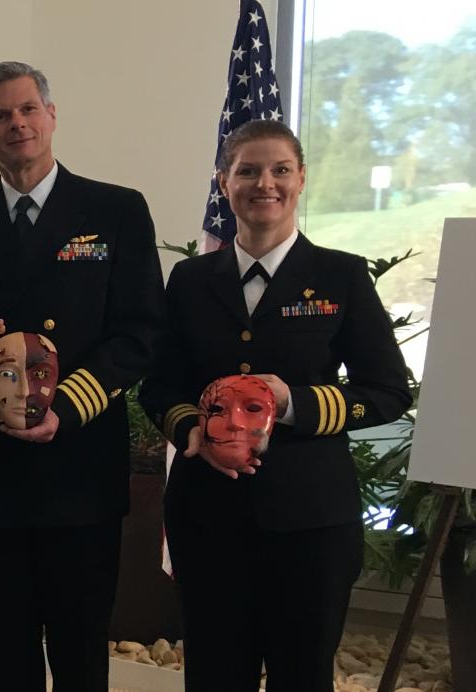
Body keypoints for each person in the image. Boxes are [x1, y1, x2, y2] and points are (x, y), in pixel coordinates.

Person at [0, 61, 165, 691]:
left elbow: (139, 334)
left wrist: (68, 406)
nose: (16, 124)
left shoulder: (116, 211)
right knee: (8, 651)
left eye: (27, 109)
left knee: (81, 651)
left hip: (81, 468)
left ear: (52, 117)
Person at [139, 119, 410, 690]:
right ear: (224, 182)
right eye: (248, 170)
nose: (266, 183)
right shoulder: (189, 280)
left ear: (301, 179)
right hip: (207, 514)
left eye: (280, 170)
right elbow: (159, 383)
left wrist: (292, 404)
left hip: (310, 520)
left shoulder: (341, 275)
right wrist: (193, 429)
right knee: (214, 674)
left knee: (302, 676)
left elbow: (387, 390)